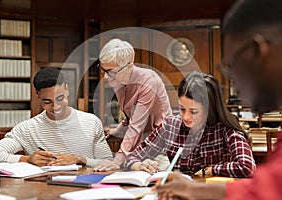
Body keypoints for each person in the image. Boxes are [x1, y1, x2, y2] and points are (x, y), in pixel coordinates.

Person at [153, 0, 282, 199]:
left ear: (256, 52)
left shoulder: (224, 130)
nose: (234, 82)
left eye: (232, 66)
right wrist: (192, 189)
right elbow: (271, 185)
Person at [125, 71, 255, 178]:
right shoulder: (170, 126)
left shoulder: (226, 129)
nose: (186, 117)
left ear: (210, 107)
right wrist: (139, 165)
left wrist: (211, 170)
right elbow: (131, 157)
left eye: (194, 111)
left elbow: (247, 166)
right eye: (182, 109)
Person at [0, 67, 113, 167]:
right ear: (38, 97)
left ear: (67, 90)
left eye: (60, 99)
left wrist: (80, 160)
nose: (56, 106)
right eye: (47, 101)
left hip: (84, 186)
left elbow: (108, 162)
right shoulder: (27, 129)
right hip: (43, 188)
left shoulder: (91, 122)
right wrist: (27, 159)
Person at [93, 38, 173, 171]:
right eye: (103, 70)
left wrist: (117, 161)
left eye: (111, 72)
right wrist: (116, 132)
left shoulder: (148, 81)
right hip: (141, 141)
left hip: (161, 143)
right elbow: (131, 116)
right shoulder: (118, 80)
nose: (106, 77)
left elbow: (136, 126)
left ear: (129, 66)